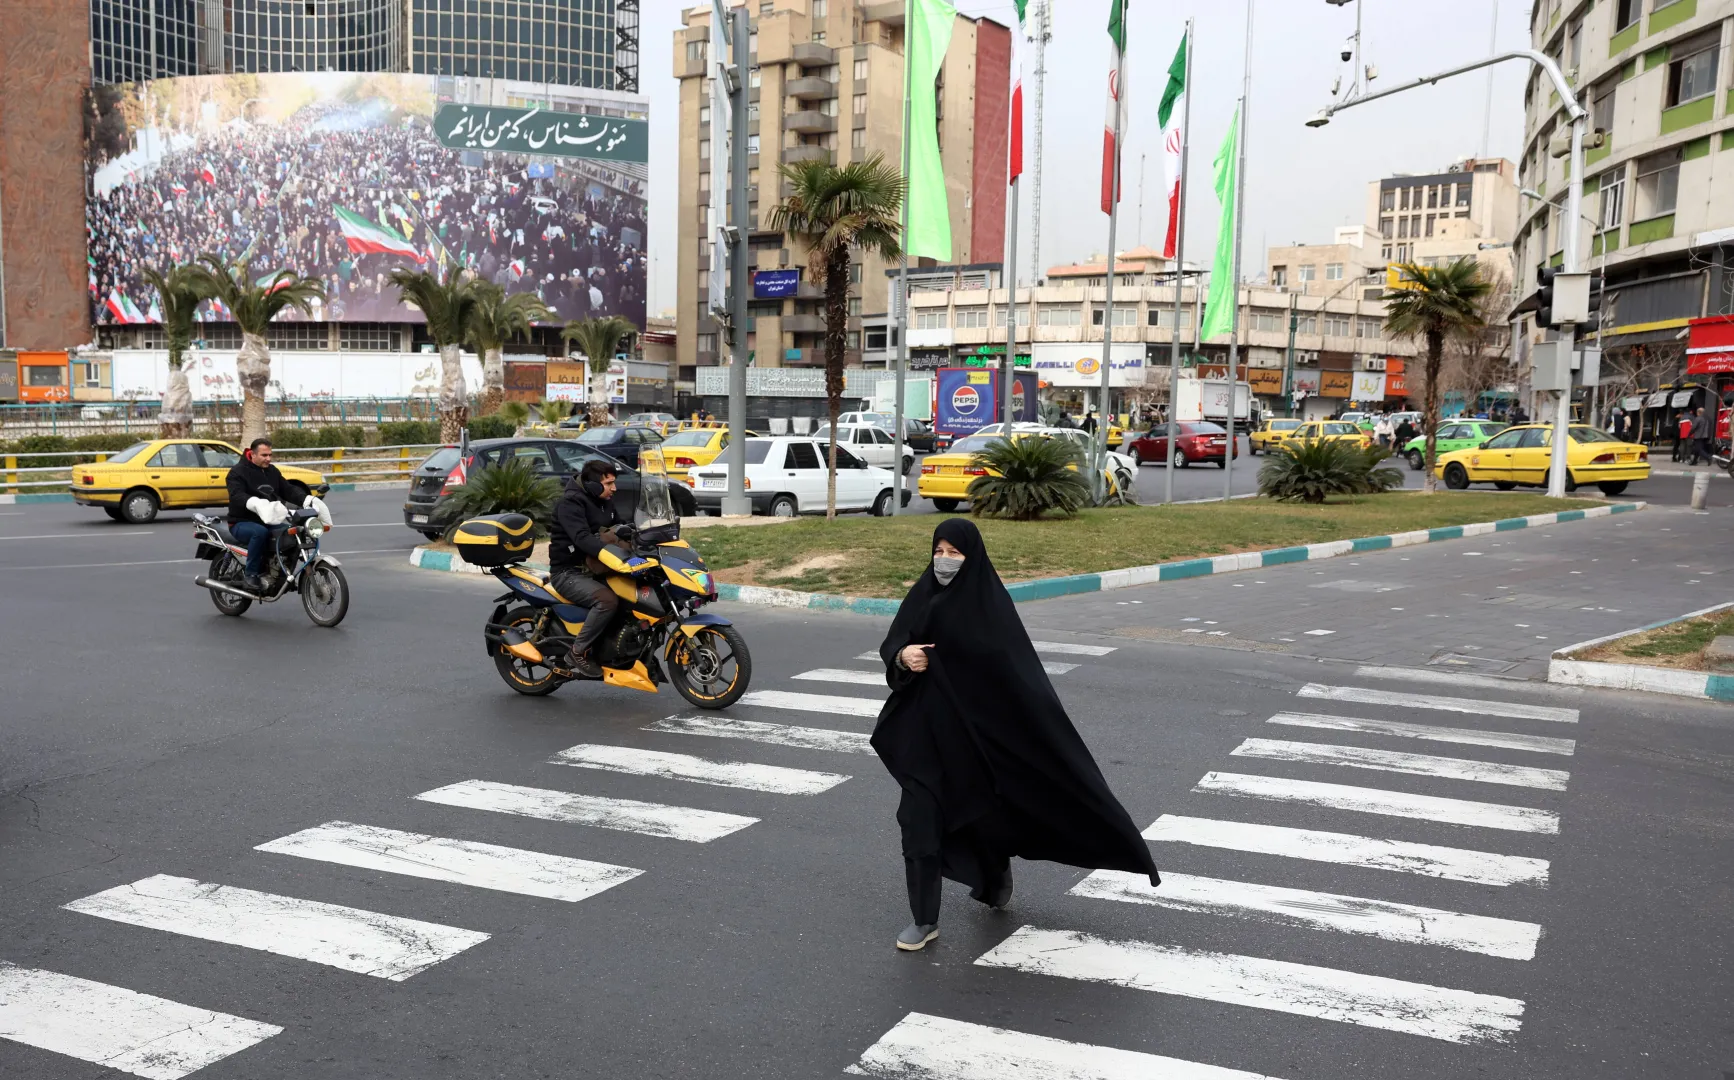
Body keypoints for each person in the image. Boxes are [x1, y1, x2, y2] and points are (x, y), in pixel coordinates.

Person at [873, 519, 1160, 952]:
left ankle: (994, 872)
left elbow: (1017, 677)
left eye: (955, 553)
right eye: (939, 551)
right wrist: (901, 656)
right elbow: (895, 643)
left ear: (973, 557)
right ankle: (924, 918)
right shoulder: (922, 595)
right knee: (917, 821)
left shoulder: (990, 609)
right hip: (925, 736)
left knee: (985, 811)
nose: (945, 561)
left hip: (979, 742)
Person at [548, 459, 628, 678]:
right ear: (592, 485)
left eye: (614, 482)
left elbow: (619, 527)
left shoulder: (604, 501)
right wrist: (611, 554)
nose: (614, 488)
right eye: (609, 483)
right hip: (568, 572)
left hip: (598, 568)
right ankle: (578, 651)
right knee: (607, 600)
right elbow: (582, 539)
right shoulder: (570, 504)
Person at [225, 438, 305, 594]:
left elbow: (287, 490)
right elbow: (236, 495)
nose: (268, 458)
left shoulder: (272, 471)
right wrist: (254, 502)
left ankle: (282, 573)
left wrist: (307, 499)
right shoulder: (237, 472)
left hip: (270, 519)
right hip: (241, 522)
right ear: (252, 454)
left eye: (270, 455)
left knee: (294, 531)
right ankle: (251, 575)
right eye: (264, 455)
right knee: (259, 532)